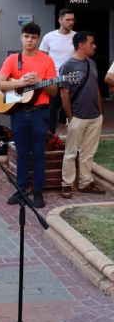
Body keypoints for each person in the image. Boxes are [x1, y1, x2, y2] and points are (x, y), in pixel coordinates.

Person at [0, 23, 57, 209]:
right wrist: (20, 82)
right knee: (22, 153)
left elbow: (54, 91)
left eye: (33, 37)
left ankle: (37, 192)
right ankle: (21, 190)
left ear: (38, 39)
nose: (29, 40)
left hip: (40, 113)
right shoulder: (13, 60)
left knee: (38, 153)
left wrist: (41, 82)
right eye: (26, 36)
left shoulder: (47, 61)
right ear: (21, 37)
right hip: (19, 113)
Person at [59, 31, 105, 198]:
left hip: (95, 117)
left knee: (88, 152)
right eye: (91, 43)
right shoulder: (67, 66)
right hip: (77, 117)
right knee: (71, 152)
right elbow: (64, 93)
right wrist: (70, 116)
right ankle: (67, 184)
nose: (94, 46)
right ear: (81, 45)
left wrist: (99, 111)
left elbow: (96, 87)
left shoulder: (92, 63)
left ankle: (85, 183)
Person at [39, 9, 75, 133]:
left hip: (72, 79)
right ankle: (51, 136)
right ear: (60, 20)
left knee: (72, 108)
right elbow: (41, 58)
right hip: (53, 79)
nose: (71, 22)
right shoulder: (49, 37)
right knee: (52, 108)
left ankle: (74, 137)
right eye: (68, 19)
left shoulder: (76, 37)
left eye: (72, 20)